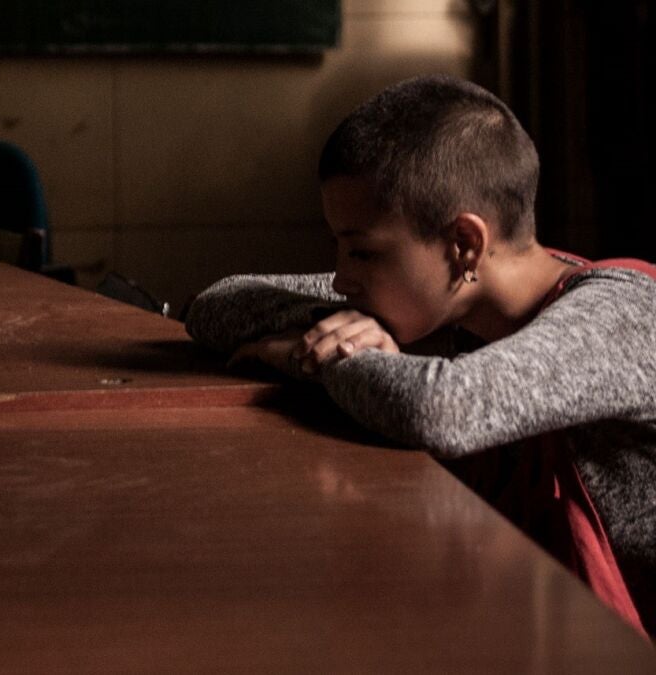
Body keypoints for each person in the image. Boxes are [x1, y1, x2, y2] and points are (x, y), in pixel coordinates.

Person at [185, 74, 656, 637]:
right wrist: (336, 328)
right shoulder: (454, 307)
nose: (341, 279)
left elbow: (444, 408)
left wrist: (319, 358)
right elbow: (218, 303)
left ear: (464, 245)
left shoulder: (623, 315)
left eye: (363, 252)